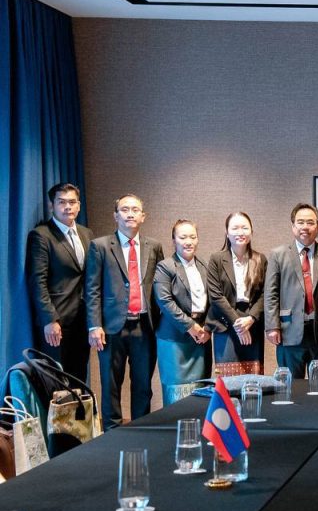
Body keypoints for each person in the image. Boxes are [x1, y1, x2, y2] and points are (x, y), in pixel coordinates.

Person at [85, 193, 164, 429]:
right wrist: (94, 325)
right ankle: (112, 432)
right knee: (111, 386)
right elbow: (92, 288)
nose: (130, 214)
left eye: (135, 210)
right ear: (116, 216)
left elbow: (160, 287)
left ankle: (141, 430)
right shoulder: (100, 246)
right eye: (125, 209)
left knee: (143, 386)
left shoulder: (154, 246)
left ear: (143, 216)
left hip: (145, 326)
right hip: (111, 327)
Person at [26, 182, 93, 382]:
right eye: (61, 202)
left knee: (79, 377)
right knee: (55, 380)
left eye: (72, 202)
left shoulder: (86, 233)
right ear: (52, 206)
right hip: (57, 321)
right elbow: (37, 281)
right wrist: (49, 319)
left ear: (79, 205)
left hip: (83, 319)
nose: (67, 207)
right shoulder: (41, 235)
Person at [265, 203, 318, 378]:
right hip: (288, 330)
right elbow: (271, 294)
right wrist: (272, 326)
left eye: (310, 222)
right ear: (293, 226)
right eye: (300, 222)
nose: (305, 227)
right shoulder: (278, 255)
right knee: (290, 384)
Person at [153, 220, 212, 403]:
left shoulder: (204, 265)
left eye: (192, 237)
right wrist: (189, 325)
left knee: (200, 391)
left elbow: (214, 299)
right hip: (174, 339)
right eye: (183, 237)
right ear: (174, 241)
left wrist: (208, 328)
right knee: (176, 393)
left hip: (201, 338)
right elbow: (164, 301)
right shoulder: (165, 266)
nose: (188, 242)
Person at [206, 211, 267, 371]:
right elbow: (216, 296)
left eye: (244, 228)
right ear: (227, 233)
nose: (240, 232)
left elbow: (265, 294)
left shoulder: (260, 259)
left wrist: (251, 318)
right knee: (227, 379)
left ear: (251, 232)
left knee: (253, 378)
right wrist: (238, 324)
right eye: (235, 228)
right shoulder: (216, 259)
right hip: (225, 323)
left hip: (252, 323)